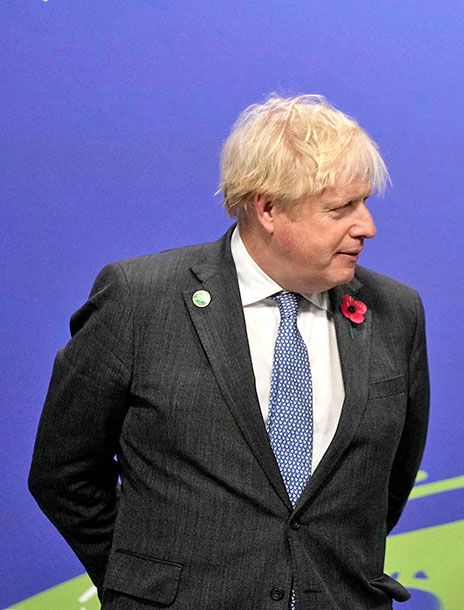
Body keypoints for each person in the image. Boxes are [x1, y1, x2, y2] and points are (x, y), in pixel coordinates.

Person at [29, 95, 429, 609]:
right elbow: (64, 471)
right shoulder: (140, 298)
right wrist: (144, 583)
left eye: (365, 202)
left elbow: (389, 484)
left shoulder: (396, 312)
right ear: (268, 208)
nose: (367, 225)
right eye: (341, 208)